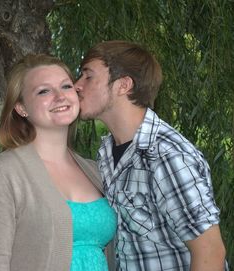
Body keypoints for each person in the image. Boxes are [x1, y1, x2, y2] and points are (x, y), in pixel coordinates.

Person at [75, 40, 227, 271]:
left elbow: (210, 253)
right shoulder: (106, 152)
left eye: (88, 76)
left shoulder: (166, 155)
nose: (76, 85)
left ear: (123, 85)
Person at [0, 54, 117, 271]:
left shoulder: (94, 170)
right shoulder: (2, 175)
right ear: (21, 108)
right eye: (43, 91)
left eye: (66, 86)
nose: (60, 96)